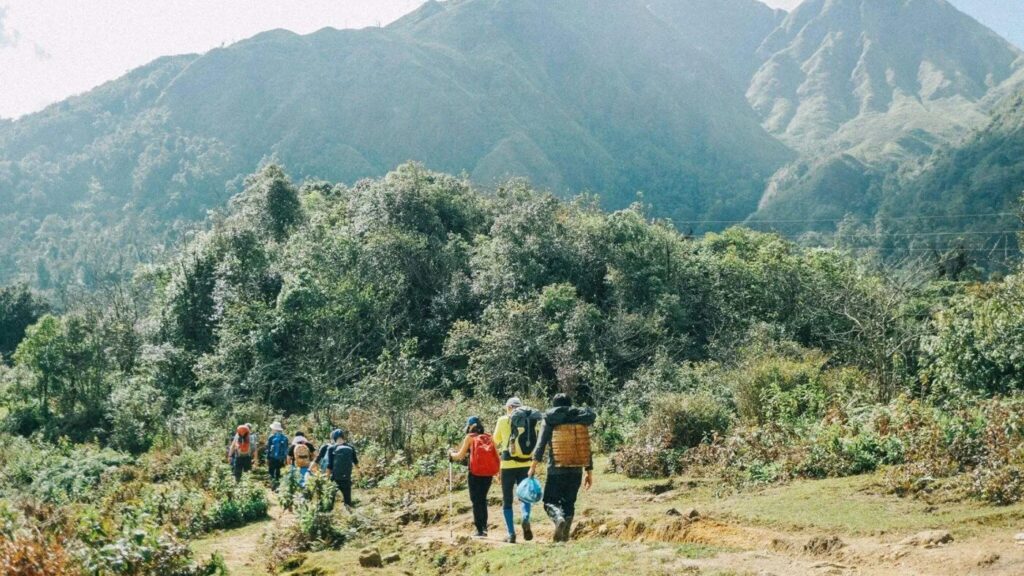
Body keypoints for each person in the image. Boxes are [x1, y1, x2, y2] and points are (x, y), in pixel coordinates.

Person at [528, 393, 596, 542]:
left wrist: (533, 467)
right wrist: (588, 471)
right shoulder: (580, 418)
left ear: (554, 405)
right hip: (576, 467)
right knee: (569, 502)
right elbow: (586, 445)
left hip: (556, 468)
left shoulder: (550, 419)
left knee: (549, 501)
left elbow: (541, 444)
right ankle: (564, 537)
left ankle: (558, 519)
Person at [493, 396, 541, 543]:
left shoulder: (503, 420)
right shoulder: (529, 421)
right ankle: (525, 518)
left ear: (508, 408)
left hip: (507, 465)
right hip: (525, 464)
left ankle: (511, 534)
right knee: (524, 497)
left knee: (507, 500)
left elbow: (495, 441)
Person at [449, 416, 500, 538]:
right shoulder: (489, 437)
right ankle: (484, 528)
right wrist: (499, 473)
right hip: (488, 473)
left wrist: (450, 454)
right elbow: (497, 456)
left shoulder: (469, 438)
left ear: (470, 426)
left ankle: (479, 530)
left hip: (475, 474)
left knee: (476, 501)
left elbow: (459, 456)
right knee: (482, 499)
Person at [326, 429, 359, 508]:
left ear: (334, 438)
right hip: (346, 478)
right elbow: (356, 462)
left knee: (330, 501)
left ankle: (329, 515)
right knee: (348, 502)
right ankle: (350, 516)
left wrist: (327, 479)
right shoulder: (350, 447)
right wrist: (359, 473)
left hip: (335, 478)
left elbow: (329, 465)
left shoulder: (331, 448)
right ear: (343, 437)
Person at [265, 422, 289, 486]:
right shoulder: (285, 438)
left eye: (272, 429)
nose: (272, 430)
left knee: (271, 471)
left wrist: (267, 458)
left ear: (275, 429)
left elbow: (268, 449)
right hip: (281, 458)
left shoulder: (271, 437)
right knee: (279, 471)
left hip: (272, 457)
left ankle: (272, 484)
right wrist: (286, 459)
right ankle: (278, 484)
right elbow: (286, 449)